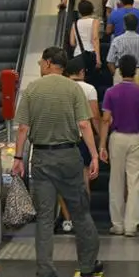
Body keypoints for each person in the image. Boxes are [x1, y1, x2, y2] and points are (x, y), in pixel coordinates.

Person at [11, 47, 103, 277]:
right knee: (80, 211)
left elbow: (23, 128)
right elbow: (84, 125)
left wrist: (18, 158)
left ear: (49, 63)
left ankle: (45, 272)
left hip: (41, 158)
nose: (40, 66)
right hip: (69, 157)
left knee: (44, 217)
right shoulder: (74, 89)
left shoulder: (32, 89)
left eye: (41, 62)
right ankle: (87, 265)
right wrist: (94, 155)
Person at [99, 54, 139, 236]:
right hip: (137, 138)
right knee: (134, 182)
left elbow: (105, 119)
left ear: (120, 71)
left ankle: (117, 224)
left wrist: (102, 145)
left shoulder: (111, 92)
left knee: (116, 181)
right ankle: (131, 226)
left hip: (117, 138)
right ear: (135, 72)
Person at [57, 57, 101, 233]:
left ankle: (67, 220)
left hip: (62, 138)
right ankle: (83, 218)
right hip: (82, 140)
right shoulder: (89, 89)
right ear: (82, 72)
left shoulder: (60, 88)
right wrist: (100, 140)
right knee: (83, 182)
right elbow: (94, 116)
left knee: (61, 182)